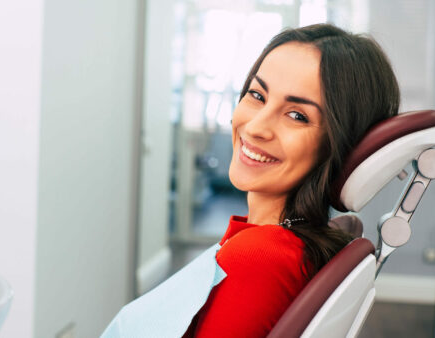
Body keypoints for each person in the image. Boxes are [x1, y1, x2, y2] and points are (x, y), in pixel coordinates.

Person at [102, 23, 400, 338]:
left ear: (342, 143)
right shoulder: (277, 244)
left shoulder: (259, 258)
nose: (256, 126)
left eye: (297, 115)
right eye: (257, 95)